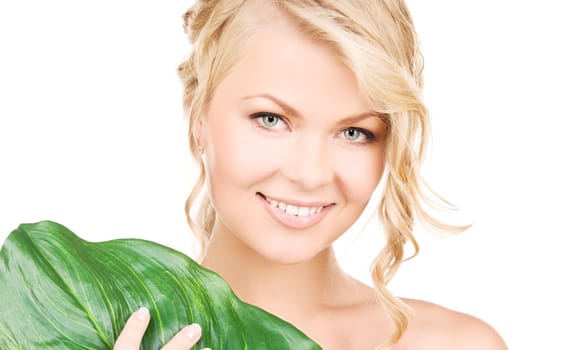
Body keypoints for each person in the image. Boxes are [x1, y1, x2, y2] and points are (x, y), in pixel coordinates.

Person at [114, 0, 507, 349]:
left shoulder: (458, 345)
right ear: (197, 112)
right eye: (271, 119)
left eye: (354, 133)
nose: (310, 173)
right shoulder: (98, 329)